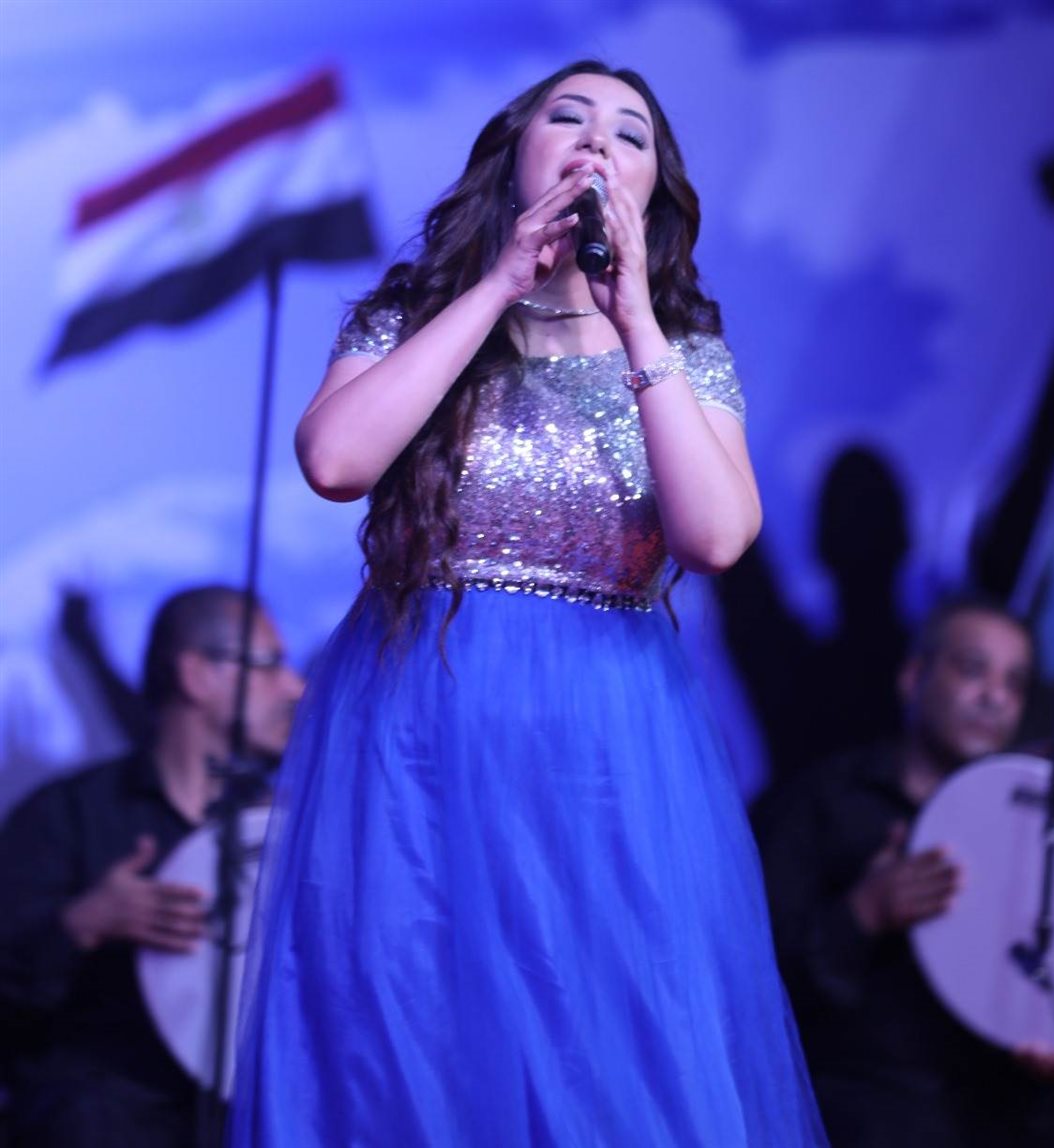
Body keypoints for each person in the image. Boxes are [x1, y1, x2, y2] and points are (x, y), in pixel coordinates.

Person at [228, 60, 828, 1147]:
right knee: (409, 1031)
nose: (599, 141)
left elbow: (715, 537)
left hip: (603, 741)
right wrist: (500, 284)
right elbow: (334, 461)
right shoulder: (413, 319)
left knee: (607, 1040)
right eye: (569, 117)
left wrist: (636, 321)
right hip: (416, 727)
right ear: (515, 158)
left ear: (651, 192)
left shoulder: (685, 353)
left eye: (632, 135)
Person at [756, 594, 1054, 1148]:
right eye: (972, 670)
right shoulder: (827, 801)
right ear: (913, 677)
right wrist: (865, 911)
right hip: (875, 1095)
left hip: (1011, 1099)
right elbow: (754, 989)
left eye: (1014, 683)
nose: (995, 696)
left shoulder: (1044, 817)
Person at [0, 586, 304, 1148]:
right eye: (269, 664)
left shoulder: (288, 830)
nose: (294, 687)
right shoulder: (67, 816)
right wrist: (82, 924)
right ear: (197, 675)